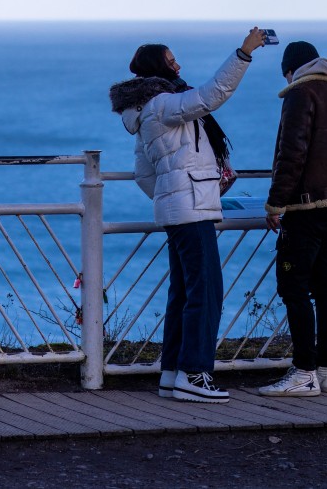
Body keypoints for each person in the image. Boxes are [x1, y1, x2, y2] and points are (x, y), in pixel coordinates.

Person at [109, 28, 268, 403]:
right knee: (207, 292)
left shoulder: (147, 111)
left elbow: (143, 174)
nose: (177, 64)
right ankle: (194, 374)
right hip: (191, 210)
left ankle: (172, 372)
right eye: (170, 59)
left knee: (184, 292)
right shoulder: (164, 103)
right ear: (156, 68)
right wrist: (244, 53)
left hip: (181, 208)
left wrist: (171, 195)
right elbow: (214, 94)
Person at [258, 41, 327, 397]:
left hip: (305, 207)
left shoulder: (300, 95)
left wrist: (275, 203)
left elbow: (292, 154)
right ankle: (326, 370)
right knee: (325, 288)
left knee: (293, 287)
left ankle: (303, 372)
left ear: (292, 71)